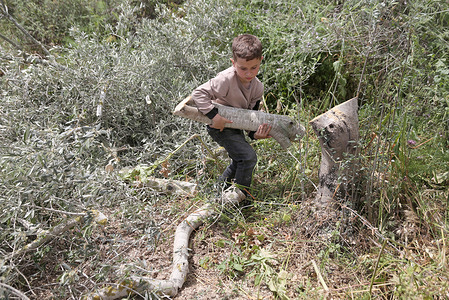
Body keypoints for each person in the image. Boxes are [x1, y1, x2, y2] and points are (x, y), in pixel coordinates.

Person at [191, 34, 272, 197]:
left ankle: (217, 192)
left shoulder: (257, 87)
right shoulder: (226, 79)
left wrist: (254, 134)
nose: (249, 73)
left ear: (261, 60)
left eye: (254, 67)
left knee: (239, 159)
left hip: (238, 125)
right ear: (233, 62)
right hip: (220, 126)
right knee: (247, 157)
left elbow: (251, 116)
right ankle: (240, 196)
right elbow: (198, 94)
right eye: (243, 68)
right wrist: (215, 117)